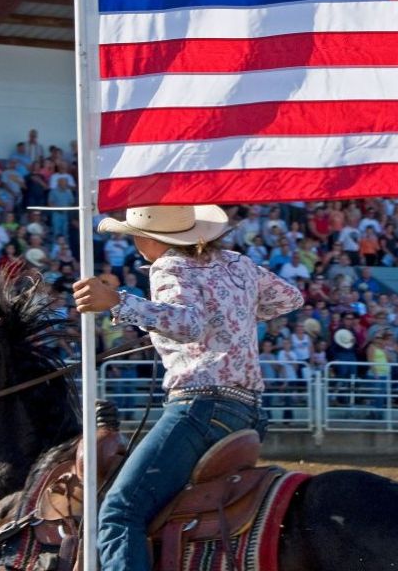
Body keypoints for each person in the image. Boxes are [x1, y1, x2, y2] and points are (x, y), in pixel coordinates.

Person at [72, 204, 302, 570]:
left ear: (150, 239)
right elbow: (290, 298)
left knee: (118, 512)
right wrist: (232, 314)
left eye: (135, 235)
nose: (133, 241)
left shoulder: (168, 266)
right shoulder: (237, 263)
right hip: (248, 410)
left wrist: (118, 303)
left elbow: (189, 325)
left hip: (200, 406)